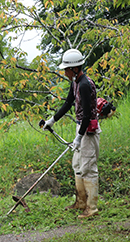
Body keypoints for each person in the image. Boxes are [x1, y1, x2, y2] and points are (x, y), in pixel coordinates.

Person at [43, 48, 100, 218]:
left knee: (88, 167)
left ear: (75, 68)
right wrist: (52, 120)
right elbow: (68, 103)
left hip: (88, 130)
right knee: (77, 165)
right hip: (80, 127)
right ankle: (81, 202)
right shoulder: (75, 81)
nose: (65, 72)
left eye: (66, 69)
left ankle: (91, 208)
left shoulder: (84, 84)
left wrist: (79, 137)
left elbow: (88, 114)